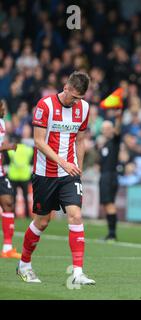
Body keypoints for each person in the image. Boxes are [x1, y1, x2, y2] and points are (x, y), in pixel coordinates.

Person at [16, 71, 95, 285]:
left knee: (75, 216)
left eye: (80, 98)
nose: (76, 101)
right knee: (42, 221)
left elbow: (80, 140)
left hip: (69, 174)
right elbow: (39, 142)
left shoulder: (84, 108)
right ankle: (24, 264)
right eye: (74, 96)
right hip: (45, 174)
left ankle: (78, 272)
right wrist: (63, 162)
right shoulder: (45, 105)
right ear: (66, 87)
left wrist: (77, 166)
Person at [0, 101, 21, 259]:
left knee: (8, 203)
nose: (4, 110)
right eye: (2, 107)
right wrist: (8, 147)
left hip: (0, 173)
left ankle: (7, 248)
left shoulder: (1, 123)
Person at [98, 110, 123, 242]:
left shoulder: (114, 141)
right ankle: (110, 233)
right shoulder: (104, 144)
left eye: (108, 128)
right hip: (105, 176)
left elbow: (118, 131)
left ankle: (112, 234)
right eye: (104, 129)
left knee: (109, 204)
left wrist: (118, 118)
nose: (106, 130)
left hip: (110, 176)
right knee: (108, 204)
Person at [7, 134, 34, 219]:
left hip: (13, 176)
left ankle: (13, 214)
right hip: (24, 176)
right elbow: (31, 161)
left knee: (13, 196)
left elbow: (7, 162)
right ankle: (27, 215)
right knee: (25, 196)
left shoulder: (11, 150)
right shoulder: (28, 149)